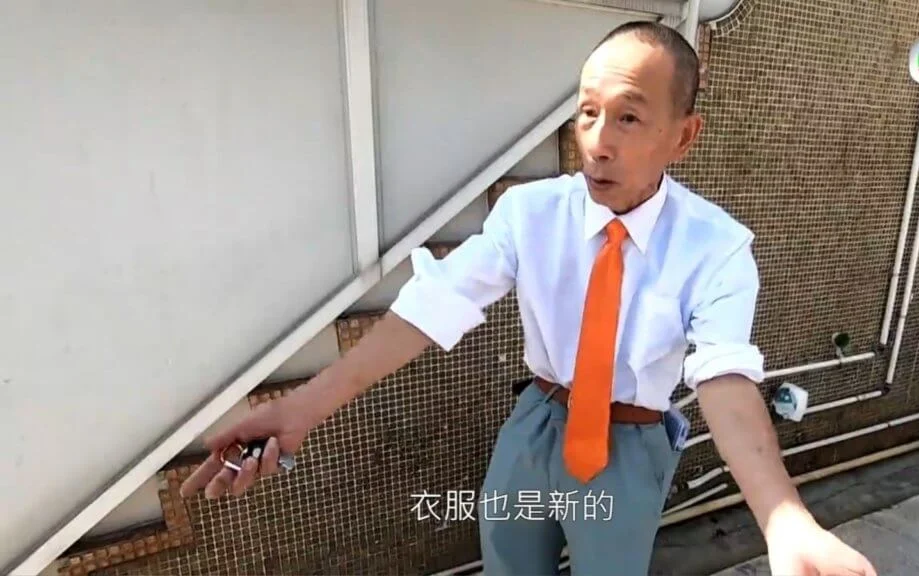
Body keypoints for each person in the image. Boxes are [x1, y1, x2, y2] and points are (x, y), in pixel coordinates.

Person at [182, 21, 877, 576]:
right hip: (535, 424)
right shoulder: (530, 212)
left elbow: (724, 377)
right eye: (587, 113)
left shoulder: (715, 246)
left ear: (682, 136)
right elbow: (433, 306)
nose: (597, 143)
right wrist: (302, 408)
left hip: (629, 445)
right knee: (508, 561)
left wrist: (783, 518)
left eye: (629, 118)